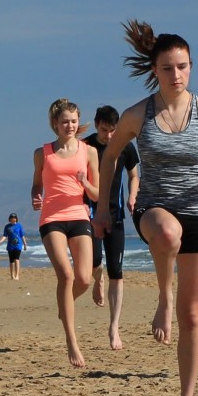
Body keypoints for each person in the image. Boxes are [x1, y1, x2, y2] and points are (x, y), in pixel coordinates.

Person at [95, 21, 198, 396]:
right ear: (154, 71)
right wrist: (104, 209)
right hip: (154, 207)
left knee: (193, 316)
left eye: (183, 67)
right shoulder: (138, 114)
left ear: (191, 67)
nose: (177, 75)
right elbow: (110, 158)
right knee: (167, 233)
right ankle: (163, 295)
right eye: (168, 68)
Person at [32, 98, 101, 368]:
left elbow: (97, 194)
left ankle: (65, 307)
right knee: (67, 275)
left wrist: (85, 183)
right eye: (64, 121)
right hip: (51, 218)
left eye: (73, 121)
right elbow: (36, 185)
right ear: (55, 124)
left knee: (84, 279)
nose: (69, 125)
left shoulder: (89, 152)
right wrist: (36, 197)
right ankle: (72, 341)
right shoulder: (43, 153)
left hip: (79, 215)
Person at [85, 104, 140, 350]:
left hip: (117, 217)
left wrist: (133, 196)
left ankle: (114, 327)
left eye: (112, 131)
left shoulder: (125, 146)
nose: (109, 136)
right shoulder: (85, 147)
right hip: (91, 215)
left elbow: (134, 175)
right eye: (105, 130)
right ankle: (97, 277)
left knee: (116, 272)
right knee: (94, 262)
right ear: (97, 125)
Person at [0, 214, 28, 280]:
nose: (13, 219)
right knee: (11, 261)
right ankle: (12, 276)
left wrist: (25, 244)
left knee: (17, 259)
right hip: (10, 246)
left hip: (18, 245)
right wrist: (0, 241)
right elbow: (5, 236)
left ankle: (17, 275)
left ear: (16, 219)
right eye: (12, 218)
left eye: (14, 218)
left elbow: (22, 236)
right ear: (9, 219)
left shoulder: (19, 226)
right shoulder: (7, 226)